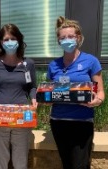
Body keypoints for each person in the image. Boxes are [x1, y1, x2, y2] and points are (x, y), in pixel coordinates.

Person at [47, 16, 105, 169]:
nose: (67, 40)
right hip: (58, 121)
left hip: (82, 121)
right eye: (63, 37)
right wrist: (45, 98)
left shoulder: (91, 61)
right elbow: (49, 91)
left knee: (80, 165)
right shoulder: (53, 65)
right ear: (59, 40)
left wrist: (95, 101)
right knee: (67, 163)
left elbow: (100, 93)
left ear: (78, 37)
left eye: (71, 36)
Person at [0, 23, 37, 169]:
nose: (9, 42)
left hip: (22, 117)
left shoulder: (28, 64)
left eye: (13, 38)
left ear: (19, 40)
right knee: (0, 161)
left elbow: (32, 86)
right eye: (6, 39)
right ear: (0, 42)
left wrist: (34, 98)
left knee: (20, 161)